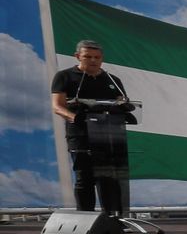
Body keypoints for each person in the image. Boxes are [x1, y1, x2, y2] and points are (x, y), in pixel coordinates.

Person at [50, 40, 134, 214]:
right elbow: (57, 106)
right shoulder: (65, 76)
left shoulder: (112, 80)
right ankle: (84, 218)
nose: (93, 61)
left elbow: (121, 104)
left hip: (109, 137)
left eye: (97, 57)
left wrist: (125, 109)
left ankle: (112, 219)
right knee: (85, 178)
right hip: (81, 135)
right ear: (77, 56)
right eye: (88, 57)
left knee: (109, 179)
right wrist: (76, 118)